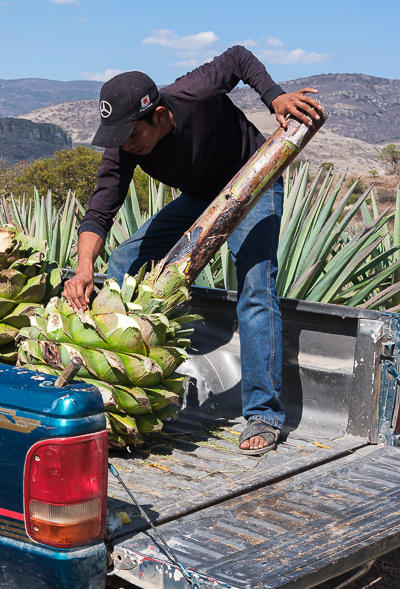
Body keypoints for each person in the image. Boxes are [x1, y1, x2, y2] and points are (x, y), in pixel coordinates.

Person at [63, 45, 323, 456]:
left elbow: (238, 57)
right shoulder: (123, 143)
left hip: (253, 179)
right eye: (121, 138)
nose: (127, 146)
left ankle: (263, 413)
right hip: (201, 195)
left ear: (160, 115)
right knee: (122, 263)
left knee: (256, 288)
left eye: (134, 135)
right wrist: (81, 269)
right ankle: (118, 385)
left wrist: (274, 96)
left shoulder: (194, 92)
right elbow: (101, 208)